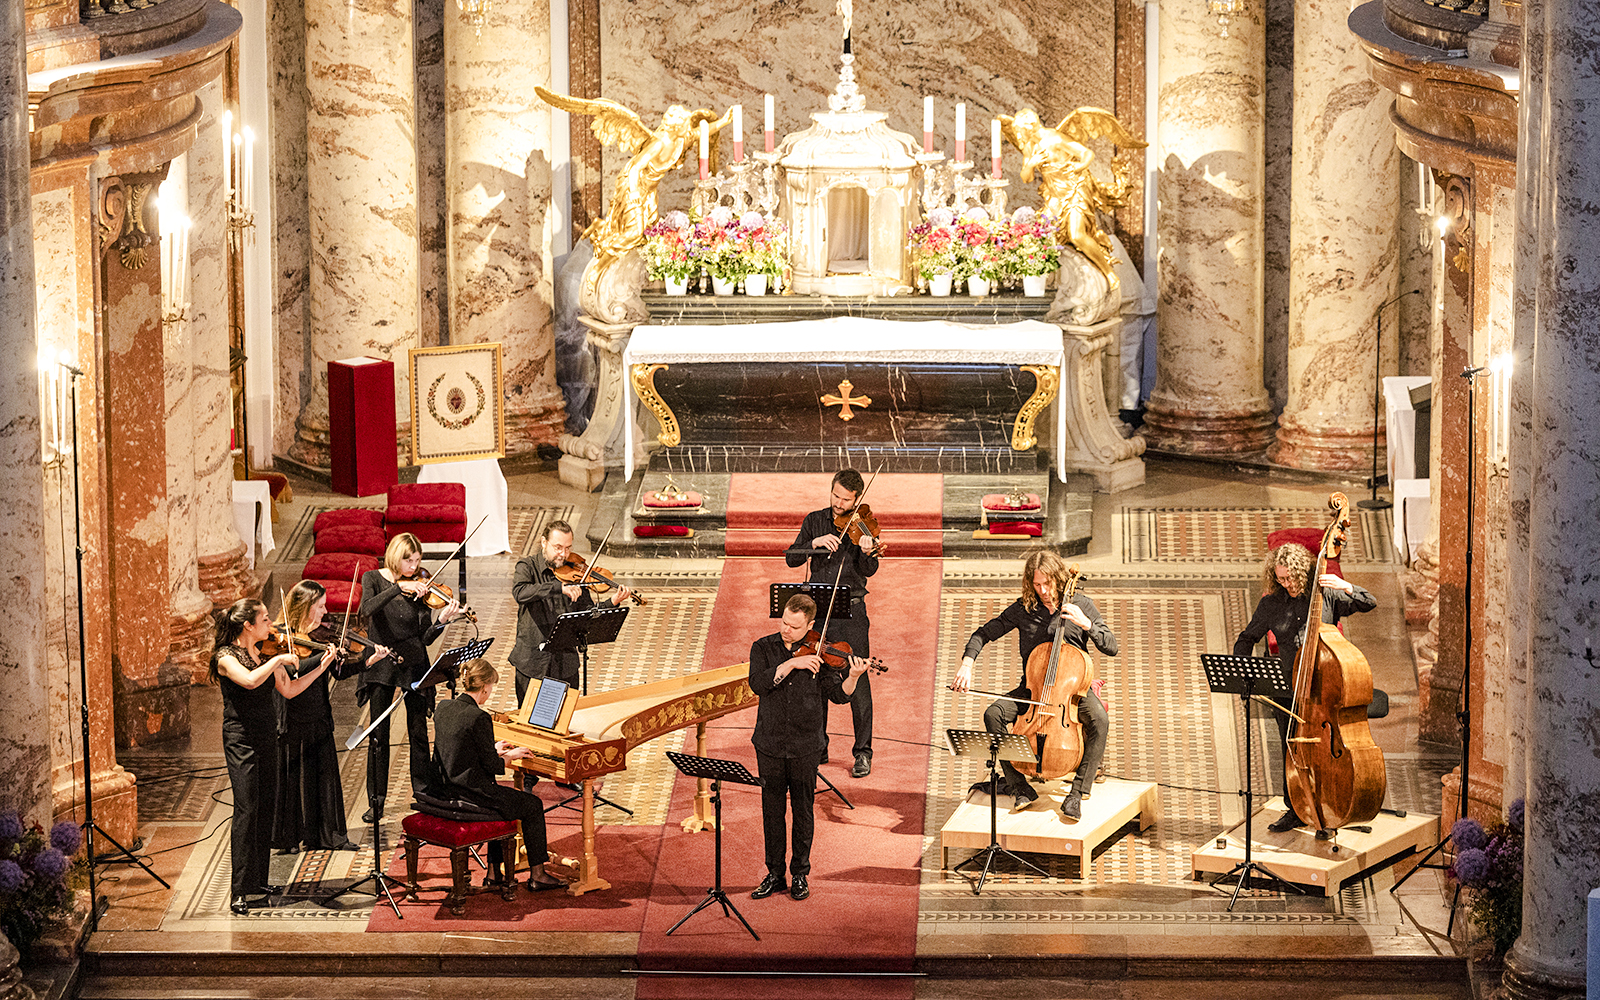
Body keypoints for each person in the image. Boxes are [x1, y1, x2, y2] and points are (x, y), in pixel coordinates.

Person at [951, 548, 1117, 822]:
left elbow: (1111, 646)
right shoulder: (1024, 609)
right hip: (1033, 689)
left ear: (1059, 578)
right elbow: (983, 633)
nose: (1043, 591)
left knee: (1100, 720)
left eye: (1047, 584)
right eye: (1037, 584)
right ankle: (1020, 787)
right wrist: (967, 663)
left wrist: (1087, 624)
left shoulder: (1081, 605)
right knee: (993, 714)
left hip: (1072, 691)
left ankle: (1077, 793)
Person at [1233, 542, 1377, 832]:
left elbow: (1368, 602)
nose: (1286, 584)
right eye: (1280, 579)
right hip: (1289, 690)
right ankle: (1295, 808)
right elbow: (1247, 638)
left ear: (1301, 572)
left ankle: (1337, 803)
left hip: (1325, 690)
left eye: (1290, 578)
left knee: (1329, 749)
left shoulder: (1325, 595)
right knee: (1291, 750)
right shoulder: (1271, 604)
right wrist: (1242, 672)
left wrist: (1345, 586)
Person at [209, 598, 335, 915]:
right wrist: (278, 660)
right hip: (241, 740)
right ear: (247, 625)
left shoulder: (264, 653)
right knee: (246, 809)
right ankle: (239, 890)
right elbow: (249, 681)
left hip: (268, 736)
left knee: (266, 806)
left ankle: (258, 881)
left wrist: (321, 667)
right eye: (265, 619)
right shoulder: (226, 657)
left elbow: (290, 690)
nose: (271, 623)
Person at [748, 594, 871, 902]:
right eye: (784, 623)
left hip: (805, 745)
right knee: (772, 812)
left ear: (810, 625)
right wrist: (791, 663)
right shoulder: (763, 648)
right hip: (770, 744)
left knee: (803, 811)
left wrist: (853, 676)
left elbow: (839, 696)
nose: (786, 630)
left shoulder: (821, 654)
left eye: (794, 626)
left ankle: (800, 873)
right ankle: (775, 873)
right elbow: (758, 684)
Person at [272, 581, 391, 855]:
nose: (326, 612)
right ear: (305, 607)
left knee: (324, 776)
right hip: (292, 715)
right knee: (292, 777)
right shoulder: (282, 638)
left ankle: (327, 835)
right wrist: (322, 660)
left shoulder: (320, 638)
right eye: (321, 606)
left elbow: (338, 672)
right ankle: (290, 837)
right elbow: (293, 671)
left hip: (318, 712)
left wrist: (367, 662)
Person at [431, 659, 565, 890]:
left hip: (447, 789)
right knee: (532, 805)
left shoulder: (444, 707)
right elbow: (493, 766)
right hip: (473, 794)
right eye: (491, 687)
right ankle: (538, 875)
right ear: (484, 687)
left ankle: (494, 874)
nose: (491, 692)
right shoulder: (478, 716)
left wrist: (492, 749)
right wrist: (511, 755)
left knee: (505, 802)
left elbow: (459, 748)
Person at [359, 532, 464, 823]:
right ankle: (376, 801)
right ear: (396, 557)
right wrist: (398, 587)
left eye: (417, 561)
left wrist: (441, 621)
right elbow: (366, 610)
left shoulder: (421, 586)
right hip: (382, 663)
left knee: (418, 732)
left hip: (414, 663)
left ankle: (423, 792)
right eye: (409, 561)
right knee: (378, 736)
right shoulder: (373, 578)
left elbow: (425, 638)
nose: (414, 567)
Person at [785, 469, 882, 779]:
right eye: (835, 496)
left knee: (858, 677)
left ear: (857, 499)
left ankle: (863, 752)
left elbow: (870, 568)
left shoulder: (862, 526)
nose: (839, 504)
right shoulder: (814, 520)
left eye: (846, 500)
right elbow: (792, 558)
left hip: (851, 612)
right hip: (818, 609)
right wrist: (814, 542)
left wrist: (867, 550)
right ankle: (819, 745)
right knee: (816, 675)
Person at [509, 520, 632, 703]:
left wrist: (612, 602)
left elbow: (587, 614)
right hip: (532, 663)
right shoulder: (527, 567)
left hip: (565, 665)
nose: (563, 554)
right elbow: (520, 593)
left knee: (566, 715)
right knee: (529, 716)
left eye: (568, 548)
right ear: (544, 542)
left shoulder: (576, 574)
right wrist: (558, 587)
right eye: (558, 547)